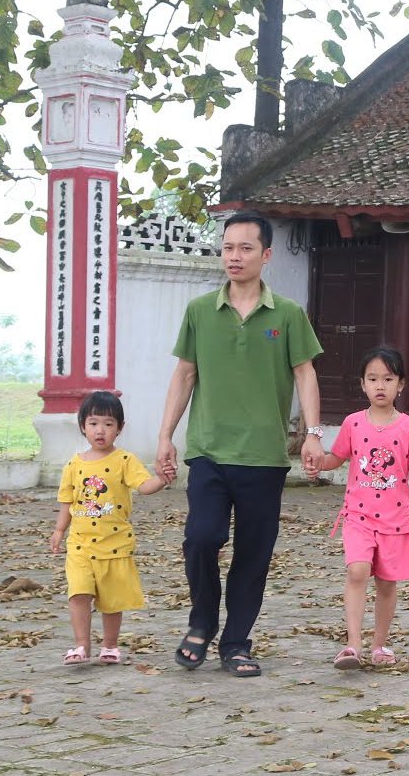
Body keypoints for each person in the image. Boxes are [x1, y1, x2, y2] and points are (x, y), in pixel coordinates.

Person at [155, 211, 324, 678]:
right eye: (228, 247)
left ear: (265, 255)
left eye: (245, 248)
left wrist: (313, 433)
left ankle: (236, 643)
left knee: (254, 552)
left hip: (263, 456)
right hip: (207, 449)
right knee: (201, 537)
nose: (234, 256)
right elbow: (184, 374)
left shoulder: (287, 315)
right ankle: (201, 623)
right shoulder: (199, 311)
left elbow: (305, 373)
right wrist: (165, 436)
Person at [305, 346, 409, 669]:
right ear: (362, 384)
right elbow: (338, 457)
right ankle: (352, 645)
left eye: (388, 379)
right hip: (358, 516)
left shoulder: (408, 427)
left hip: (396, 520)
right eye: (372, 378)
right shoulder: (352, 424)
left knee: (387, 582)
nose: (380, 385)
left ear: (400, 384)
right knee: (357, 570)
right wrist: (320, 463)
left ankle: (379, 645)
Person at [49, 390, 169, 665]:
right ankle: (81, 645)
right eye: (93, 423)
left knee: (111, 601)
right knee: (78, 593)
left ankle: (110, 646)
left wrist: (161, 479)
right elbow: (67, 501)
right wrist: (59, 531)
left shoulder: (125, 461)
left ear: (119, 429)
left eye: (108, 424)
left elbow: (144, 486)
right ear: (83, 426)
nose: (100, 430)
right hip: (79, 545)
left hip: (115, 545)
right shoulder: (73, 465)